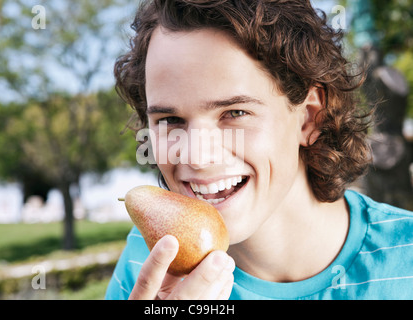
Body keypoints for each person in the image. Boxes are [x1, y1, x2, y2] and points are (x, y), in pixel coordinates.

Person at [105, 0, 413, 300]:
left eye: (235, 113)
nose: (196, 157)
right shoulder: (149, 265)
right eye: (170, 120)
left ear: (309, 118)